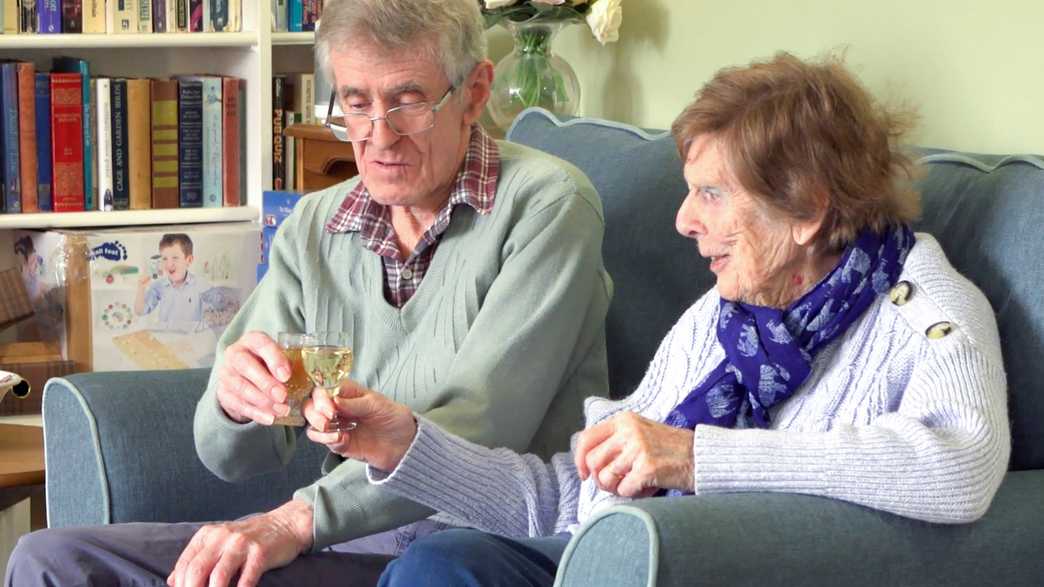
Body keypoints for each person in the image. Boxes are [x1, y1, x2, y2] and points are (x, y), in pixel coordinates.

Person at [300, 52, 1011, 586]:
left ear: (806, 209)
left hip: (711, 566)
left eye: (711, 193)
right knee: (443, 566)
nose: (684, 220)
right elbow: (571, 496)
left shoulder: (925, 309)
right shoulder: (721, 317)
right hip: (617, 557)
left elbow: (959, 463)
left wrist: (697, 456)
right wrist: (407, 446)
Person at [4, 0, 610, 585]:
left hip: (478, 551)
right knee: (52, 560)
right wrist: (235, 402)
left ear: (475, 93)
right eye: (355, 102)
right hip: (345, 542)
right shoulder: (315, 228)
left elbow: (482, 423)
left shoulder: (548, 205)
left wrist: (296, 519)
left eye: (408, 102)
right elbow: (234, 456)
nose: (379, 136)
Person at [134, 233, 211, 332]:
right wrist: (141, 288)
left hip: (192, 341)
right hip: (166, 340)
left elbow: (212, 319)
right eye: (165, 258)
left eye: (175, 258)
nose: (169, 264)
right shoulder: (159, 285)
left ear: (189, 260)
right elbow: (140, 311)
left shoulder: (201, 285)